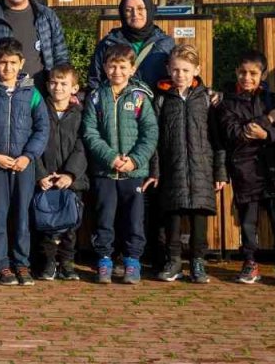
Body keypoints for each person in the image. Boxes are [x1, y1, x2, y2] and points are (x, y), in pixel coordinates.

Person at [215, 51, 275, 286]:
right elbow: (236, 134)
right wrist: (267, 121)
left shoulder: (273, 100)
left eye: (253, 73)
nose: (246, 78)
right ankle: (250, 262)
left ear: (263, 74)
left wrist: (268, 133)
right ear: (235, 73)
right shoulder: (227, 103)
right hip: (245, 170)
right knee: (248, 221)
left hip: (274, 170)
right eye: (242, 72)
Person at [0, 38, 50, 286]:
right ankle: (1, 264)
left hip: (23, 165)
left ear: (22, 63)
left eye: (13, 63)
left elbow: (42, 128)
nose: (7, 68)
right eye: (3, 62)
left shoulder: (32, 92)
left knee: (22, 216)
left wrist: (28, 156)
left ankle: (21, 263)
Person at [83, 43, 158, 285]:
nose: (117, 71)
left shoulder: (140, 97)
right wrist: (110, 157)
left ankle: (132, 261)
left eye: (122, 66)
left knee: (133, 219)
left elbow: (150, 132)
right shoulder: (95, 97)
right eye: (112, 66)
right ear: (104, 67)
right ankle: (104, 260)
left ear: (132, 69)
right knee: (104, 218)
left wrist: (135, 160)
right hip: (105, 171)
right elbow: (90, 132)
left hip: (133, 173)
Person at [153, 45, 225, 284]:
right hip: (171, 166)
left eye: (185, 70)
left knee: (199, 216)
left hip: (201, 168)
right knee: (171, 216)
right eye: (175, 70)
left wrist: (220, 171)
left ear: (196, 70)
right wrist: (155, 170)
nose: (180, 75)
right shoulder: (162, 98)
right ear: (168, 70)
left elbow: (217, 138)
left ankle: (197, 262)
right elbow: (154, 138)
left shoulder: (206, 99)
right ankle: (173, 260)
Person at [36, 63, 87, 282]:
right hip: (45, 177)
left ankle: (67, 263)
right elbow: (34, 143)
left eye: (64, 83)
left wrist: (71, 174)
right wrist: (40, 174)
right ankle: (48, 263)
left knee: (70, 225)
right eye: (54, 82)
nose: (58, 87)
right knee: (46, 224)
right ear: (47, 85)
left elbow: (83, 144)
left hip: (71, 180)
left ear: (74, 88)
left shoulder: (80, 113)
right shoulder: (39, 110)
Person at [87, 0, 176, 90]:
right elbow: (95, 80)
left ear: (149, 10)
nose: (135, 14)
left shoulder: (165, 44)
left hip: (155, 104)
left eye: (140, 8)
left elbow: (177, 79)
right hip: (116, 104)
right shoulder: (108, 43)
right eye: (128, 10)